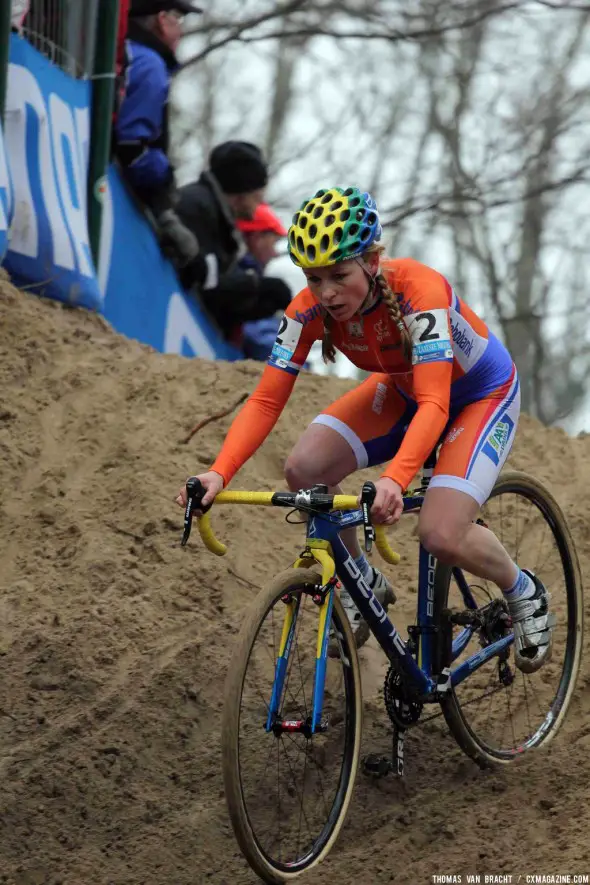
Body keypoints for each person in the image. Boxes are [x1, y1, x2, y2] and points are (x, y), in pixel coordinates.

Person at [176, 186, 554, 673]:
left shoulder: (420, 293)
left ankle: (523, 589)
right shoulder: (306, 311)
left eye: (339, 275)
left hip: (478, 397)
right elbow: (268, 398)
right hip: (404, 390)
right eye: (314, 279)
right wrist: (218, 473)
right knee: (305, 468)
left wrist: (395, 479)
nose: (327, 292)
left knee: (439, 533)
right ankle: (359, 578)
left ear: (373, 261)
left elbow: (436, 402)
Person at [114, 0, 202, 268]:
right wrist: (164, 181)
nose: (182, 31)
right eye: (180, 19)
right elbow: (133, 147)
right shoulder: (150, 64)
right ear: (162, 20)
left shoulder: (124, 51)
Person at [176, 142, 291, 341]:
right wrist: (256, 286)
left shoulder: (218, 216)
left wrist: (264, 300)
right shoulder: (197, 206)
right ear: (242, 190)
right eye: (258, 194)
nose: (261, 202)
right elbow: (204, 281)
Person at [236, 203, 292, 361]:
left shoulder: (244, 276)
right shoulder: (241, 280)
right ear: (256, 238)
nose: (274, 254)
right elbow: (261, 340)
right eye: (273, 243)